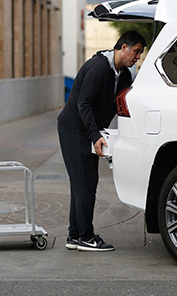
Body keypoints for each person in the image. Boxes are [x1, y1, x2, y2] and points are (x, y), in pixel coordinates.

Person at [57, 31, 146, 252]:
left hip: (88, 130)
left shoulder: (124, 74)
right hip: (73, 129)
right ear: (123, 47)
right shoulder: (98, 67)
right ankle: (86, 236)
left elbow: (119, 107)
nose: (137, 57)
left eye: (140, 54)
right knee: (85, 182)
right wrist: (95, 136)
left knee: (81, 183)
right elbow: (83, 104)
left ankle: (75, 234)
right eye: (136, 52)